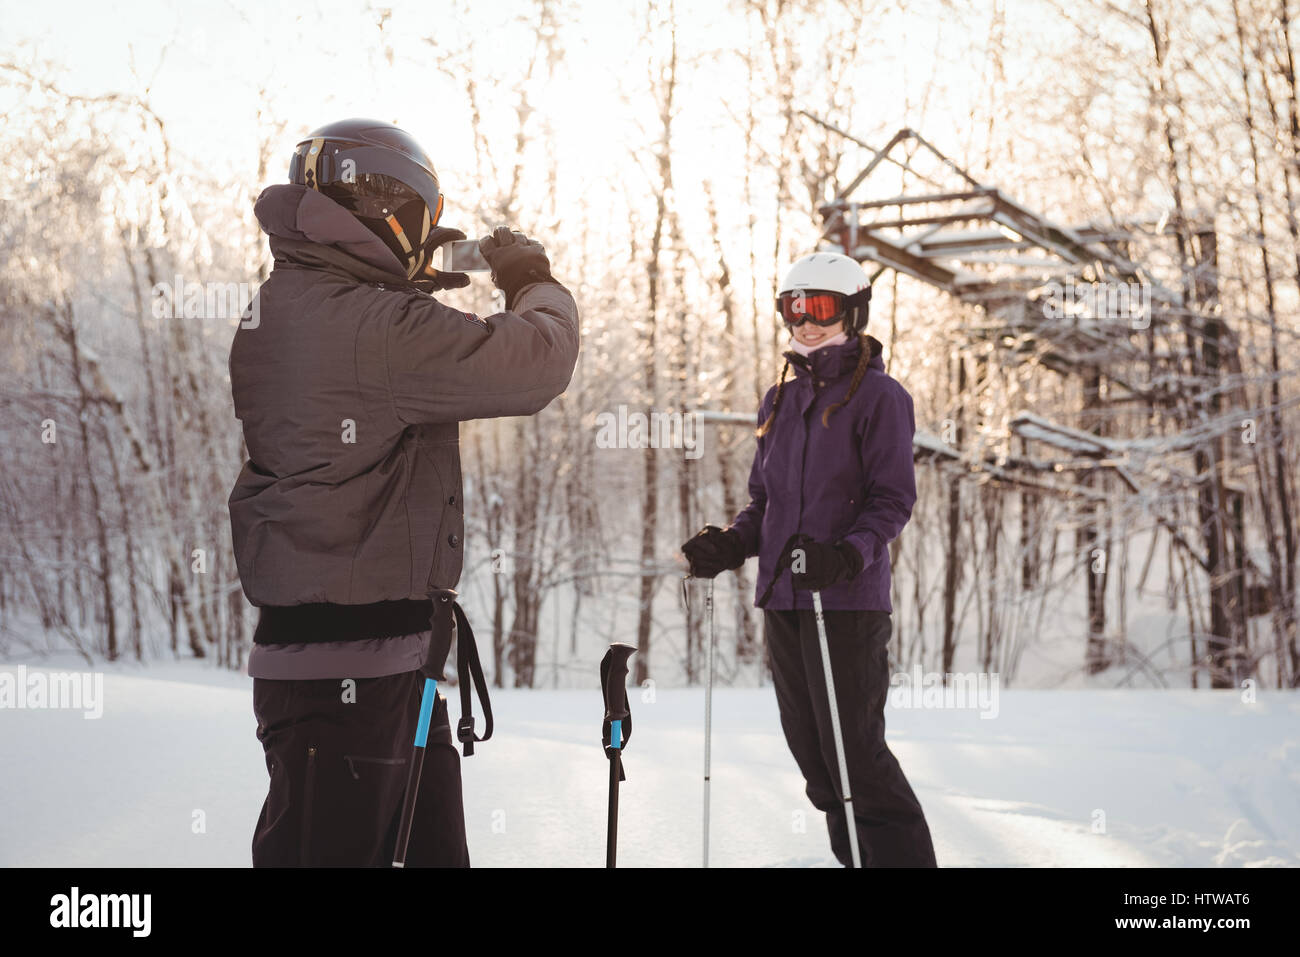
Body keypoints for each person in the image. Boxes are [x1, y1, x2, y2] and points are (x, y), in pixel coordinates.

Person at [228, 118, 580, 867]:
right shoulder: (378, 325)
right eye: (416, 222)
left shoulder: (292, 301)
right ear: (387, 207)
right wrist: (532, 280)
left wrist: (407, 278)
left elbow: (369, 355)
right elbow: (537, 361)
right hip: (356, 674)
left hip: (362, 664)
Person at [681, 251, 936, 867]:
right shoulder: (780, 399)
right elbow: (764, 502)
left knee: (858, 758)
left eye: (820, 307)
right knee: (817, 761)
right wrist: (734, 543)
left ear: (851, 311)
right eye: (793, 308)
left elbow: (892, 498)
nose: (806, 321)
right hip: (786, 602)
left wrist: (846, 556)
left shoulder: (880, 397)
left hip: (845, 603)